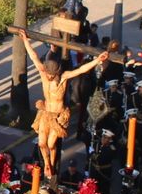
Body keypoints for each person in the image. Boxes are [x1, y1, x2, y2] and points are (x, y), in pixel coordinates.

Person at [18, 30, 107, 176]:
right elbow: (34, 57)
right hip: (46, 113)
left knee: (51, 144)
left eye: (52, 74)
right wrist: (25, 41)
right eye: (48, 73)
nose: (49, 76)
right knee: (41, 143)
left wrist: (97, 60)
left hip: (58, 116)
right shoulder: (43, 73)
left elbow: (81, 70)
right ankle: (47, 164)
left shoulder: (64, 77)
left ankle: (52, 165)